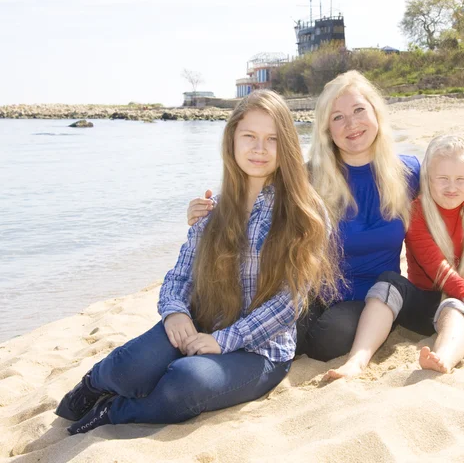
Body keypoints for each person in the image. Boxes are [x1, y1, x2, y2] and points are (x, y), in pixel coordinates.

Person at [55, 90, 339, 435]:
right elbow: (179, 276)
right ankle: (95, 384)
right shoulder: (211, 209)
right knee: (129, 368)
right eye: (249, 136)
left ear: (288, 147)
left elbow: (288, 304)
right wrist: (175, 311)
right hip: (202, 323)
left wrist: (224, 341)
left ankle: (115, 411)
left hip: (261, 352)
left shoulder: (304, 212)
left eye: (272, 139)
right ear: (232, 139)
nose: (259, 149)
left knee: (185, 381)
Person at [187, 71, 464, 363]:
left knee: (328, 341)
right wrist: (207, 210)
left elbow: (452, 191)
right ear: (327, 128)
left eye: (359, 111)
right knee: (277, 329)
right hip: (312, 292)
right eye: (337, 117)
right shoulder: (309, 176)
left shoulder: (408, 172)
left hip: (375, 298)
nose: (351, 124)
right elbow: (253, 200)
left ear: (375, 114)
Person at [327, 135, 464, 380]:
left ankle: (444, 357)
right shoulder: (416, 212)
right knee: (388, 281)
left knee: (455, 304)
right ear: (427, 179)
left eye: (461, 179)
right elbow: (438, 268)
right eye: (443, 179)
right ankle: (356, 361)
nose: (452, 187)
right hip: (421, 305)